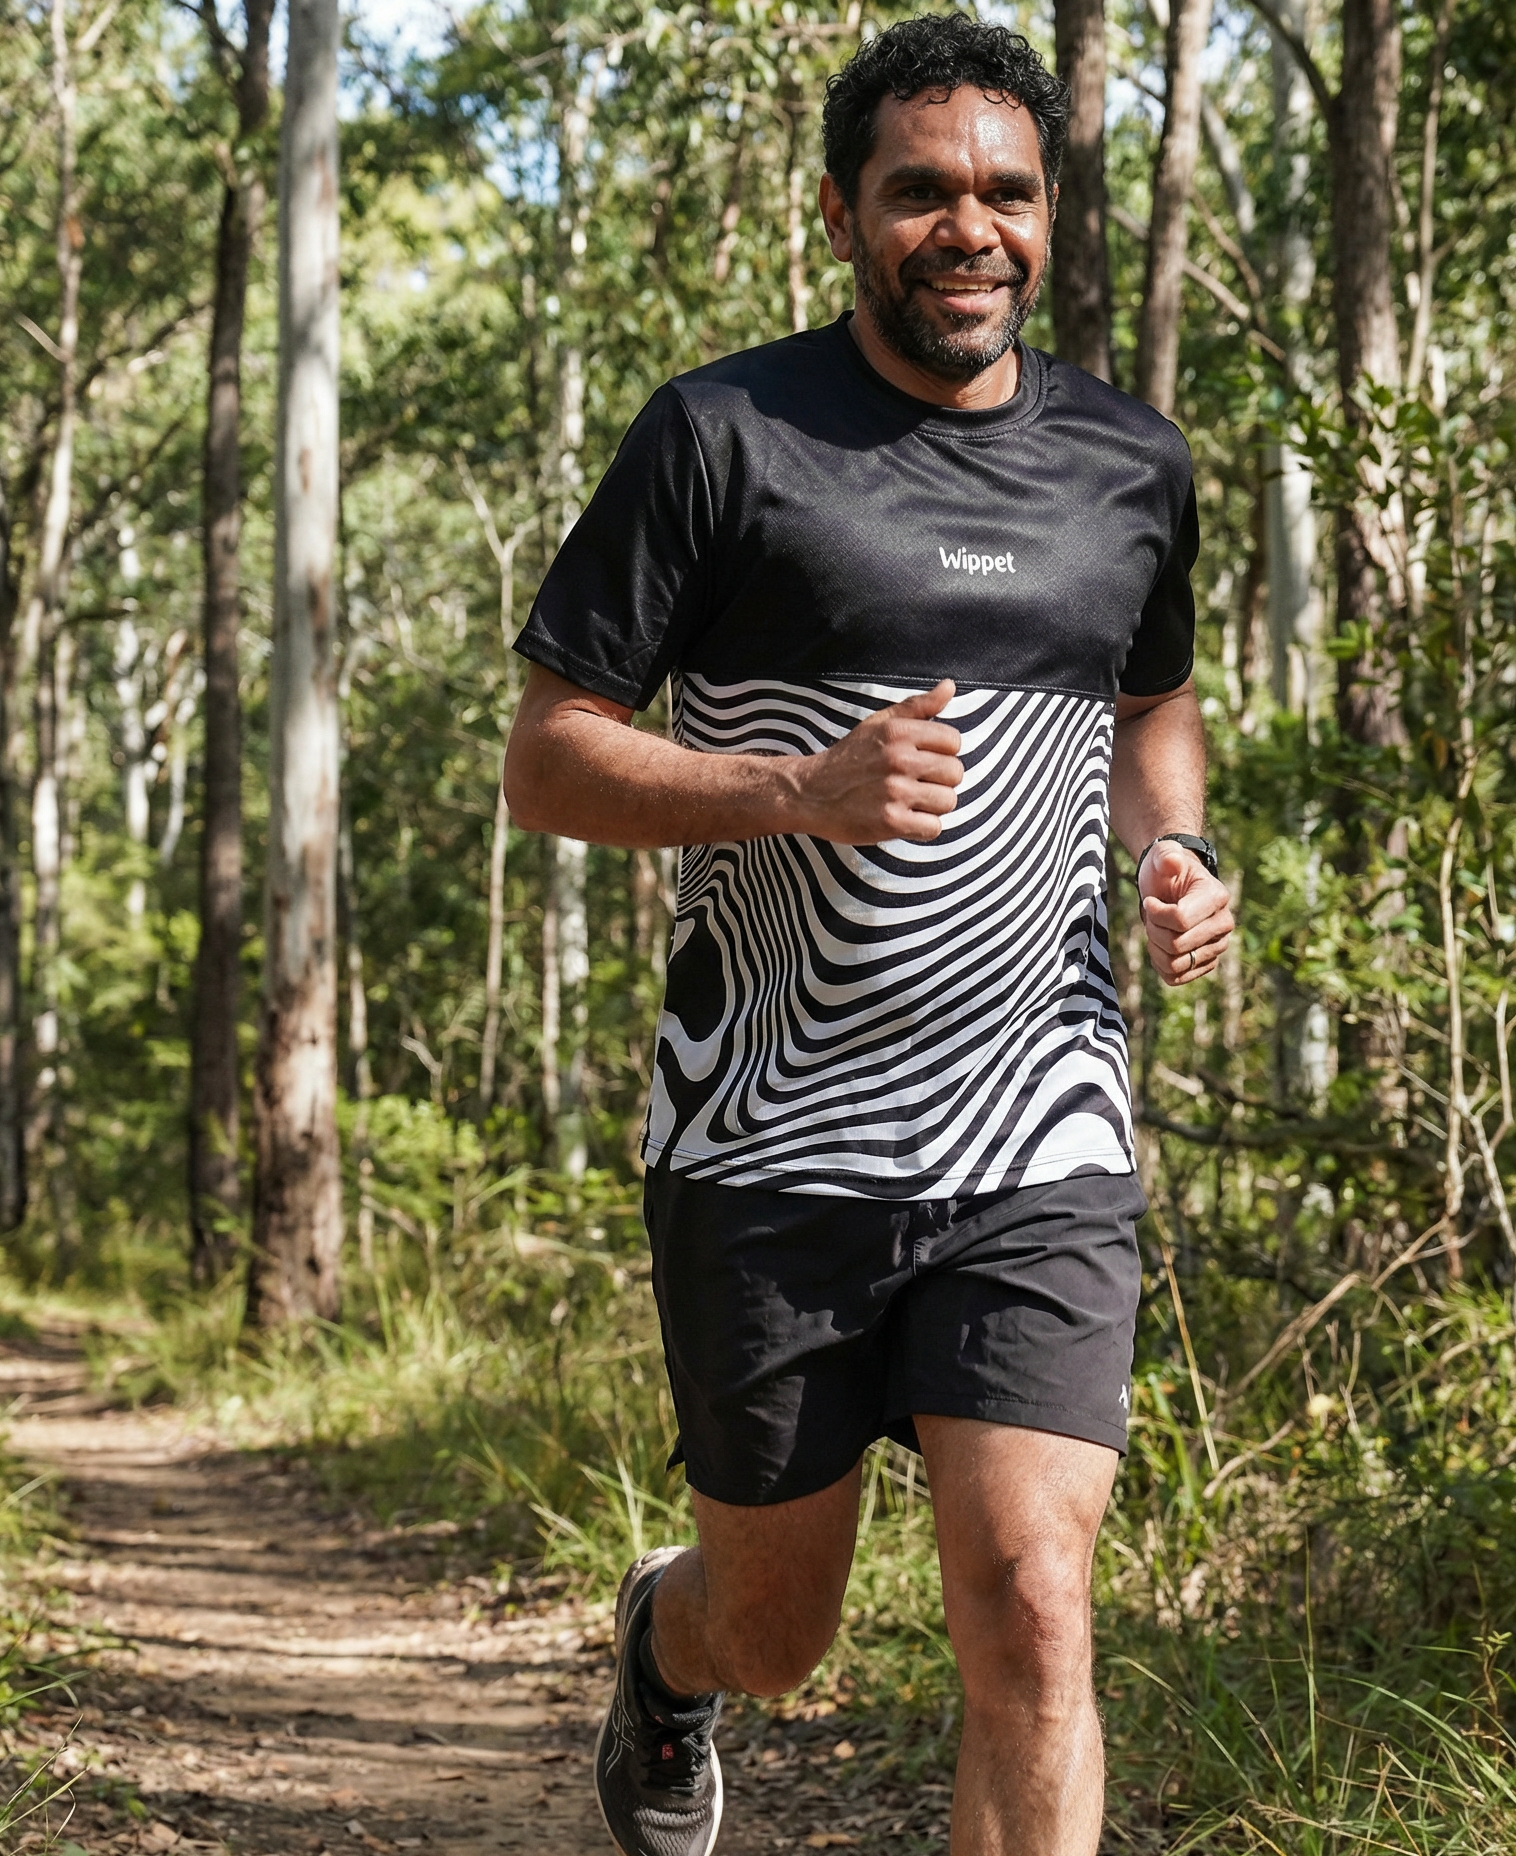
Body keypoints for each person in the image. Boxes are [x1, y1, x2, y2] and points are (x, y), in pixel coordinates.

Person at [501, 15, 1234, 1854]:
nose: (966, 228)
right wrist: (794, 793)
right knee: (781, 1629)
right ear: (845, 210)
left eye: (1006, 191)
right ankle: (667, 1664)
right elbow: (547, 760)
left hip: (1043, 1126)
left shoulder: (1131, 465)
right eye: (921, 192)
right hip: (769, 1131)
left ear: (1052, 218)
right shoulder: (723, 435)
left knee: (1036, 1610)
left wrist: (1179, 849)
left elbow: (1154, 710)